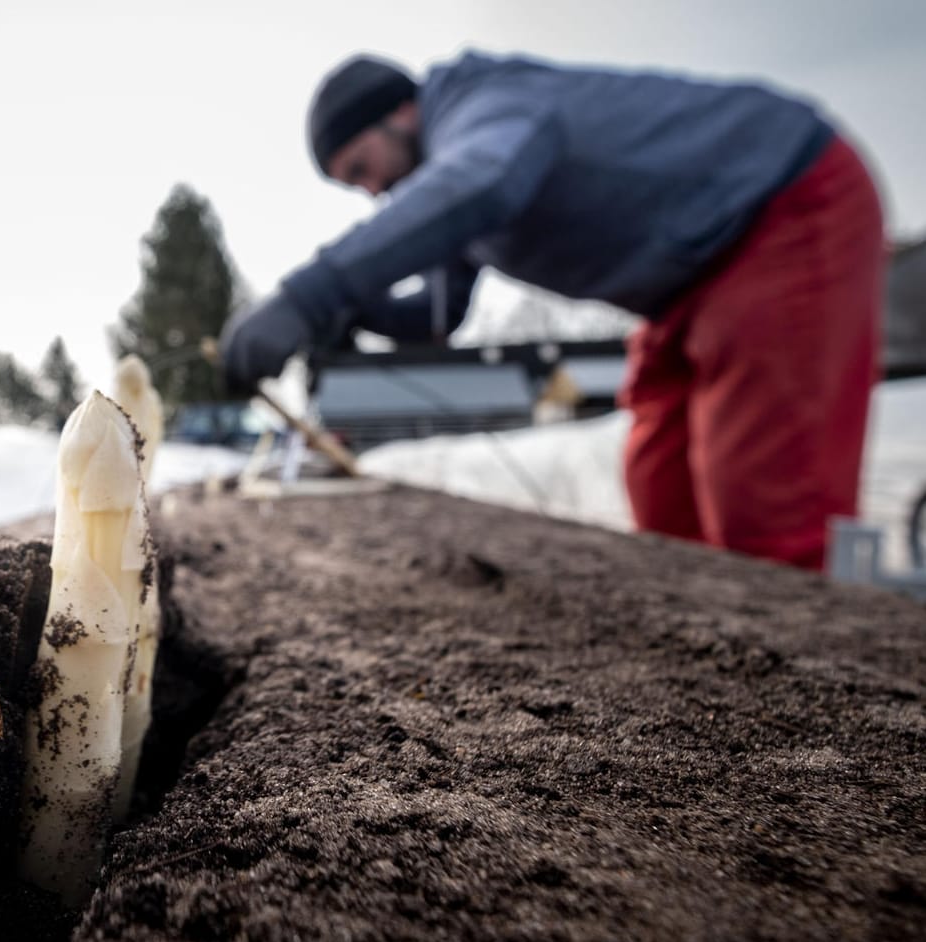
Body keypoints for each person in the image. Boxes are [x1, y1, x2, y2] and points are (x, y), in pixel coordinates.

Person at [220, 51, 885, 571]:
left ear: (399, 113)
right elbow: (438, 315)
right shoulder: (461, 169)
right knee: (662, 482)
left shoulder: (488, 107)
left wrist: (311, 294)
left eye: (362, 167)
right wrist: (357, 313)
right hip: (683, 285)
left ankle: (822, 720)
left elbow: (480, 183)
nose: (372, 192)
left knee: (764, 501)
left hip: (780, 210)